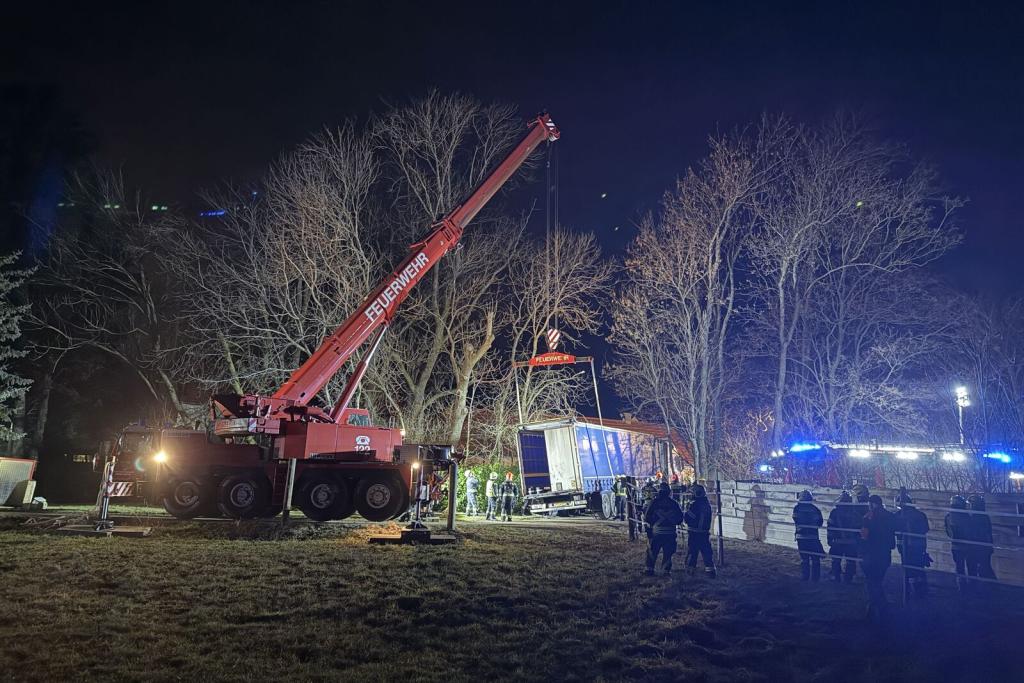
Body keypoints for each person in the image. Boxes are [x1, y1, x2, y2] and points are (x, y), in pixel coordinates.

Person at [860, 494, 897, 622]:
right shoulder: (890, 516)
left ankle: (875, 606)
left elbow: (864, 536)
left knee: (871, 581)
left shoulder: (868, 517)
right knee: (878, 580)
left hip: (871, 553)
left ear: (871, 504)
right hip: (885, 553)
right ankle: (881, 607)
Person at [894, 489, 930, 598]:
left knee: (908, 569)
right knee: (919, 566)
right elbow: (926, 529)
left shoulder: (897, 515)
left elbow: (894, 530)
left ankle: (910, 591)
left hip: (905, 548)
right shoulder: (920, 514)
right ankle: (921, 591)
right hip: (920, 546)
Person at [645, 483, 684, 575]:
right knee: (668, 552)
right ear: (669, 492)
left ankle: (649, 570)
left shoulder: (654, 503)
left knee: (652, 551)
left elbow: (647, 517)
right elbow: (680, 518)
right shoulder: (674, 503)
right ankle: (666, 571)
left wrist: (653, 524)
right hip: (670, 533)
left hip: (656, 532)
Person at [684, 483, 716, 576]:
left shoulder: (695, 505)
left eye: (693, 493)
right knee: (707, 553)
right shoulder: (707, 504)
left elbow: (687, 518)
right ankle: (711, 572)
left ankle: (690, 571)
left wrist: (687, 510)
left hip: (694, 533)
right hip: (705, 533)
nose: (692, 495)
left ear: (696, 493)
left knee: (692, 552)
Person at [827, 490, 859, 583]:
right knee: (850, 561)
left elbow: (830, 527)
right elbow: (858, 528)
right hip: (851, 542)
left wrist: (829, 539)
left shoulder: (835, 512)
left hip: (837, 541)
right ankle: (848, 579)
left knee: (836, 560)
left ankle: (836, 577)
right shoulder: (855, 513)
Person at [793, 490, 824, 581]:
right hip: (813, 537)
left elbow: (795, 519)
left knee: (805, 559)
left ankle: (805, 577)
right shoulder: (815, 509)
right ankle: (815, 579)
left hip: (801, 537)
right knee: (815, 559)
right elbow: (820, 522)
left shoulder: (797, 508)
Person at [966, 494, 997, 585]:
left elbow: (978, 533)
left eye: (971, 504)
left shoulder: (978, 517)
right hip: (983, 547)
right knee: (984, 566)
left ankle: (990, 586)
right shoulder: (982, 516)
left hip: (980, 547)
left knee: (983, 567)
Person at [945, 494, 972, 593]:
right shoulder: (966, 516)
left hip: (955, 546)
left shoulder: (948, 516)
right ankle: (972, 586)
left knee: (959, 566)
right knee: (970, 566)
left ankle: (961, 587)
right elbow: (970, 531)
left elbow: (948, 532)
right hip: (968, 545)